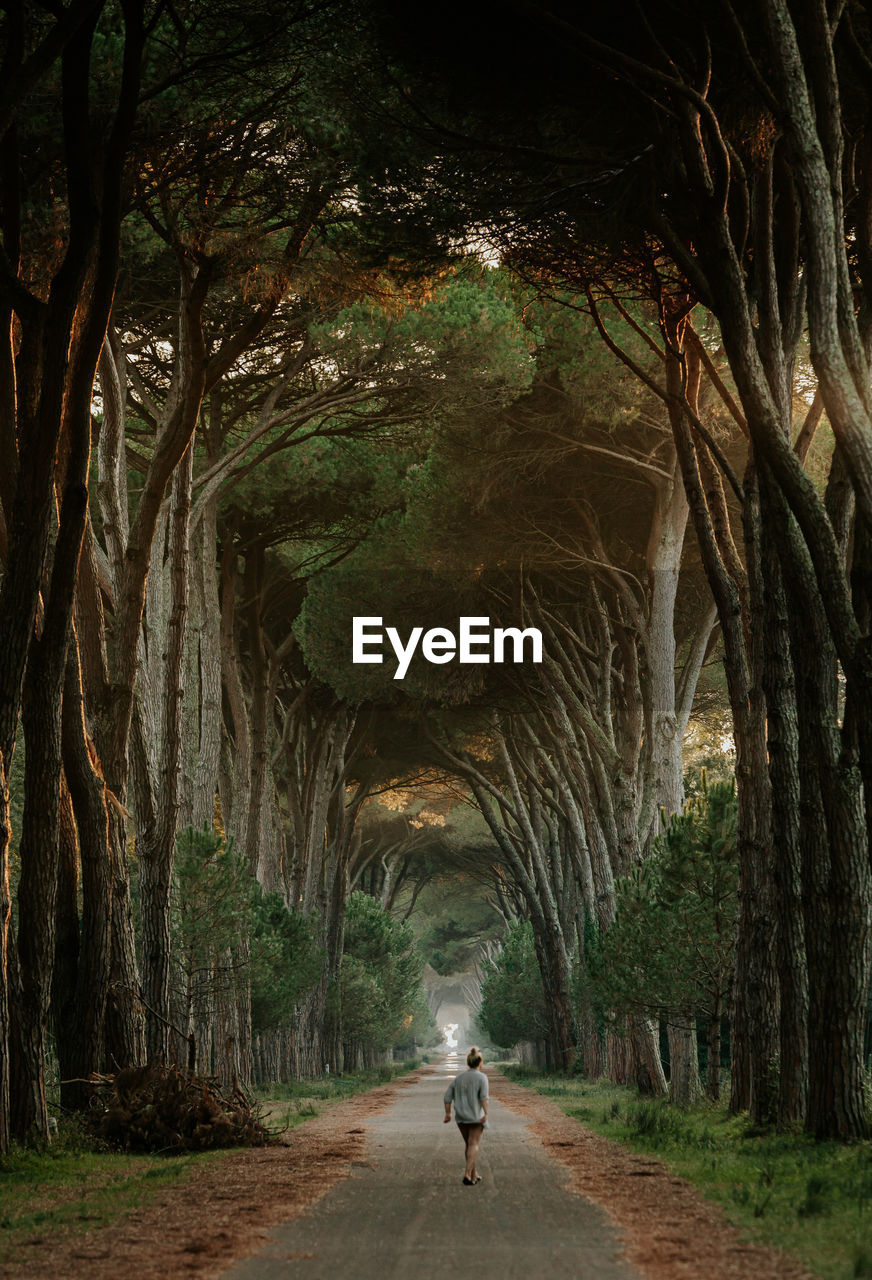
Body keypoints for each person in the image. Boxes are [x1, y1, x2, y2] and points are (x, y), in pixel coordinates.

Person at [443, 1046, 489, 1185]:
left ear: (468, 1062)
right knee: (474, 1144)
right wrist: (486, 1113)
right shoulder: (482, 1078)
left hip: (461, 1118)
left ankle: (474, 1175)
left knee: (469, 1145)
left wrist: (448, 1113)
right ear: (480, 1062)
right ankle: (467, 1173)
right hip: (476, 1117)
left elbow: (447, 1097)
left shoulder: (459, 1078)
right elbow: (483, 1097)